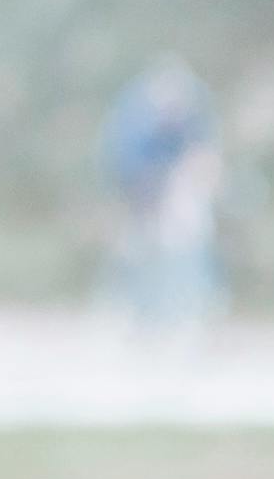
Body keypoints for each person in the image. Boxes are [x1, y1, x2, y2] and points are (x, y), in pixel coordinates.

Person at [95, 57, 223, 340]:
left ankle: (182, 317)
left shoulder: (187, 120)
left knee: (181, 255)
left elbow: (202, 158)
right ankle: (127, 319)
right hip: (137, 199)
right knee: (135, 256)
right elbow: (126, 171)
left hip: (170, 199)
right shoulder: (135, 125)